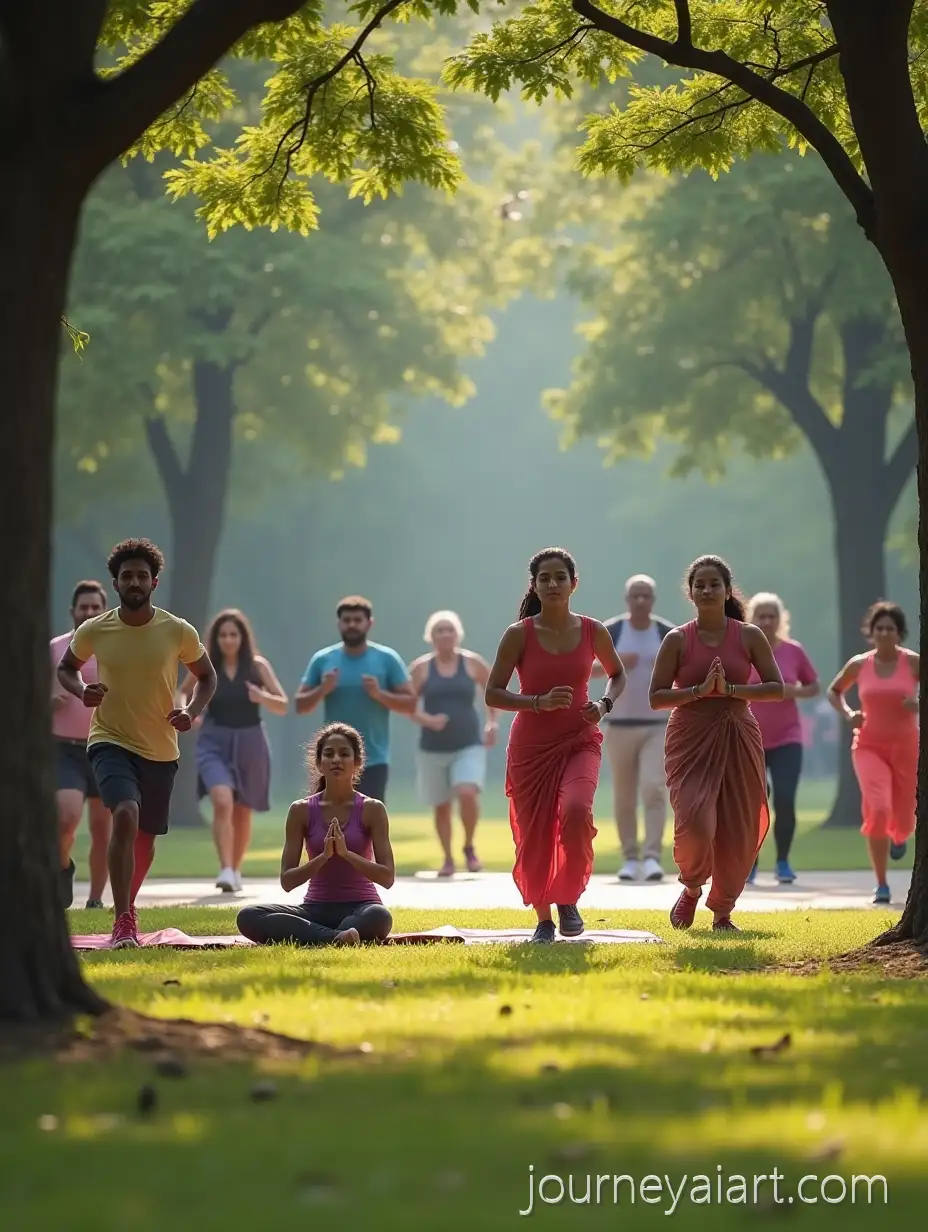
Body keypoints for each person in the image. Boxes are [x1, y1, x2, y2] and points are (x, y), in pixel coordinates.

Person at [57, 538, 216, 949]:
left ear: (154, 582)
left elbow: (207, 675)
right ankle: (123, 919)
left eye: (141, 576)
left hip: (160, 747)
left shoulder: (177, 630)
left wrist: (192, 711)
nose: (134, 581)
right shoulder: (96, 629)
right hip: (109, 738)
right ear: (116, 582)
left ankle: (126, 907)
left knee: (145, 837)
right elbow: (66, 668)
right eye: (127, 575)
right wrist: (81, 691)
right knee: (124, 814)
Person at [485, 548, 626, 943]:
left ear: (573, 584)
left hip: (580, 739)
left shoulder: (592, 630)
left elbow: (617, 675)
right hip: (531, 746)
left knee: (577, 811)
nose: (552, 584)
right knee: (535, 833)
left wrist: (604, 704)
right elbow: (493, 693)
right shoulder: (519, 635)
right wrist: (535, 702)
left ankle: (567, 895)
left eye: (559, 577)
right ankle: (545, 920)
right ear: (534, 585)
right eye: (544, 578)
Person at [648, 555, 784, 933]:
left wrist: (731, 690)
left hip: (738, 732)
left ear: (727, 590)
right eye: (700, 585)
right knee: (695, 822)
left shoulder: (748, 635)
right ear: (690, 593)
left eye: (714, 584)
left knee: (738, 827)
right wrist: (697, 691)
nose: (707, 590)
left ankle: (722, 912)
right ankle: (692, 887)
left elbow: (776, 688)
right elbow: (656, 696)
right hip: (690, 737)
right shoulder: (677, 639)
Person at [237, 723, 394, 947]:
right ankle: (335, 937)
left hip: (362, 908)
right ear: (319, 763)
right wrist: (323, 857)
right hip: (314, 909)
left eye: (344, 754)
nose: (336, 759)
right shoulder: (301, 810)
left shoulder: (372, 809)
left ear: (357, 762)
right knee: (249, 916)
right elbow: (287, 881)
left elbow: (387, 877)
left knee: (380, 917)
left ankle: (323, 936)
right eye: (329, 754)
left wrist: (346, 854)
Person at [179, 608, 288, 894]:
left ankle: (236, 868)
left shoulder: (257, 666)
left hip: (250, 740)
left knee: (242, 809)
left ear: (243, 637)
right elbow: (181, 692)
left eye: (233, 634)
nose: (228, 640)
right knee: (222, 798)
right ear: (215, 639)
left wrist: (261, 696)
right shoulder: (206, 666)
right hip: (213, 739)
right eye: (223, 635)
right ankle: (225, 867)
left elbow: (282, 704)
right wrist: (188, 711)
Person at [826, 601, 918, 905]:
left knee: (904, 819)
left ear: (899, 633)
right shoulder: (860, 664)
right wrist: (849, 713)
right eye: (879, 628)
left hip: (906, 746)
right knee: (878, 809)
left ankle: (900, 835)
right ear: (871, 632)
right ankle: (881, 884)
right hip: (868, 746)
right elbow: (834, 690)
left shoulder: (913, 663)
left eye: (890, 628)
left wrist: (918, 704)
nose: (884, 633)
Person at [593, 574, 675, 883]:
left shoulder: (666, 633)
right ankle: (629, 857)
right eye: (635, 596)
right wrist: (616, 664)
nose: (641, 601)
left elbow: (683, 672)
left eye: (646, 596)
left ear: (653, 600)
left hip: (658, 724)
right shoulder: (612, 631)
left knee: (653, 787)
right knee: (624, 793)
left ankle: (652, 857)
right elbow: (585, 670)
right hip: (618, 724)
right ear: (626, 600)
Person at [295, 596, 415, 801]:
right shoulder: (323, 660)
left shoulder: (387, 659)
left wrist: (380, 694)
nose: (352, 625)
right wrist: (323, 689)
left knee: (369, 821)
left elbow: (410, 704)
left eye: (358, 620)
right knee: (330, 817)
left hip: (373, 758)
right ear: (338, 624)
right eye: (347, 620)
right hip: (333, 758)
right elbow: (300, 705)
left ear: (369, 623)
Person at [408, 610, 498, 877]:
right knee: (442, 804)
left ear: (458, 634)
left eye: (449, 630)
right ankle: (448, 858)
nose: (445, 635)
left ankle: (469, 846)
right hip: (433, 746)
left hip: (468, 742)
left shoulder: (472, 663)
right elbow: (407, 705)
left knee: (467, 791)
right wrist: (428, 720)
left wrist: (492, 722)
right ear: (431, 636)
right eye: (439, 630)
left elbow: (493, 692)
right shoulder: (421, 668)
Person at [744, 592, 820, 885]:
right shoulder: (745, 651)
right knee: (755, 801)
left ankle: (783, 861)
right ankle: (751, 862)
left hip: (788, 738)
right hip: (751, 737)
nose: (766, 621)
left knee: (785, 800)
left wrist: (793, 691)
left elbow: (814, 686)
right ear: (752, 619)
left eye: (771, 616)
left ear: (780, 620)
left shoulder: (793, 651)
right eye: (761, 616)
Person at [50, 580, 111, 909]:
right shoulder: (55, 649)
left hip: (104, 745)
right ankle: (63, 866)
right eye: (83, 607)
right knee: (66, 817)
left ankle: (95, 900)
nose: (89, 612)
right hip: (65, 749)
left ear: (105, 611)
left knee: (103, 828)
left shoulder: (113, 649)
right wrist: (51, 702)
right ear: (72, 611)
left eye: (95, 607)